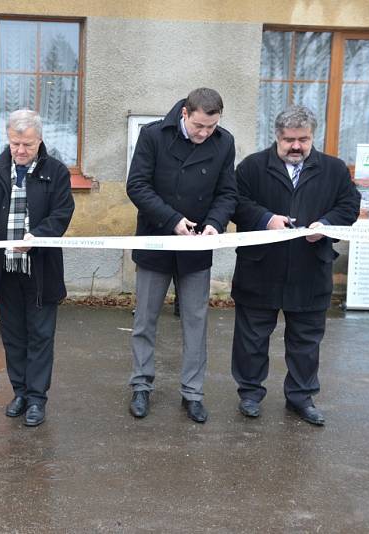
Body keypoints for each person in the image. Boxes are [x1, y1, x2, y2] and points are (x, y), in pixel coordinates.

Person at [230, 105, 360, 426]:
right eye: (289, 139)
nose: (297, 146)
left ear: (313, 136)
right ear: (277, 136)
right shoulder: (252, 167)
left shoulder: (333, 169)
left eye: (303, 139)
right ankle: (249, 394)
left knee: (306, 340)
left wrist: (326, 225)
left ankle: (301, 397)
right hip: (260, 268)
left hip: (310, 269)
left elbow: (349, 205)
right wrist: (266, 219)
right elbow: (234, 202)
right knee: (252, 338)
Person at [126, 88, 237, 423]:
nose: (205, 134)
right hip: (156, 240)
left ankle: (193, 393)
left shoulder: (224, 142)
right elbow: (138, 186)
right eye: (200, 126)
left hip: (197, 246)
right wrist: (172, 220)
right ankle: (141, 386)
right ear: (185, 114)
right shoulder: (154, 135)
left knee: (195, 322)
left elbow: (227, 192)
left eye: (211, 127)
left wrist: (215, 224)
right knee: (145, 319)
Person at [0, 109, 74, 427]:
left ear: (39, 140)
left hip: (40, 270)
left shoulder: (56, 171)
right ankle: (20, 393)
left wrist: (38, 237)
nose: (21, 151)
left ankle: (38, 399)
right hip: (4, 268)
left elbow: (62, 213)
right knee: (13, 335)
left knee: (41, 335)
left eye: (27, 144)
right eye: (15, 144)